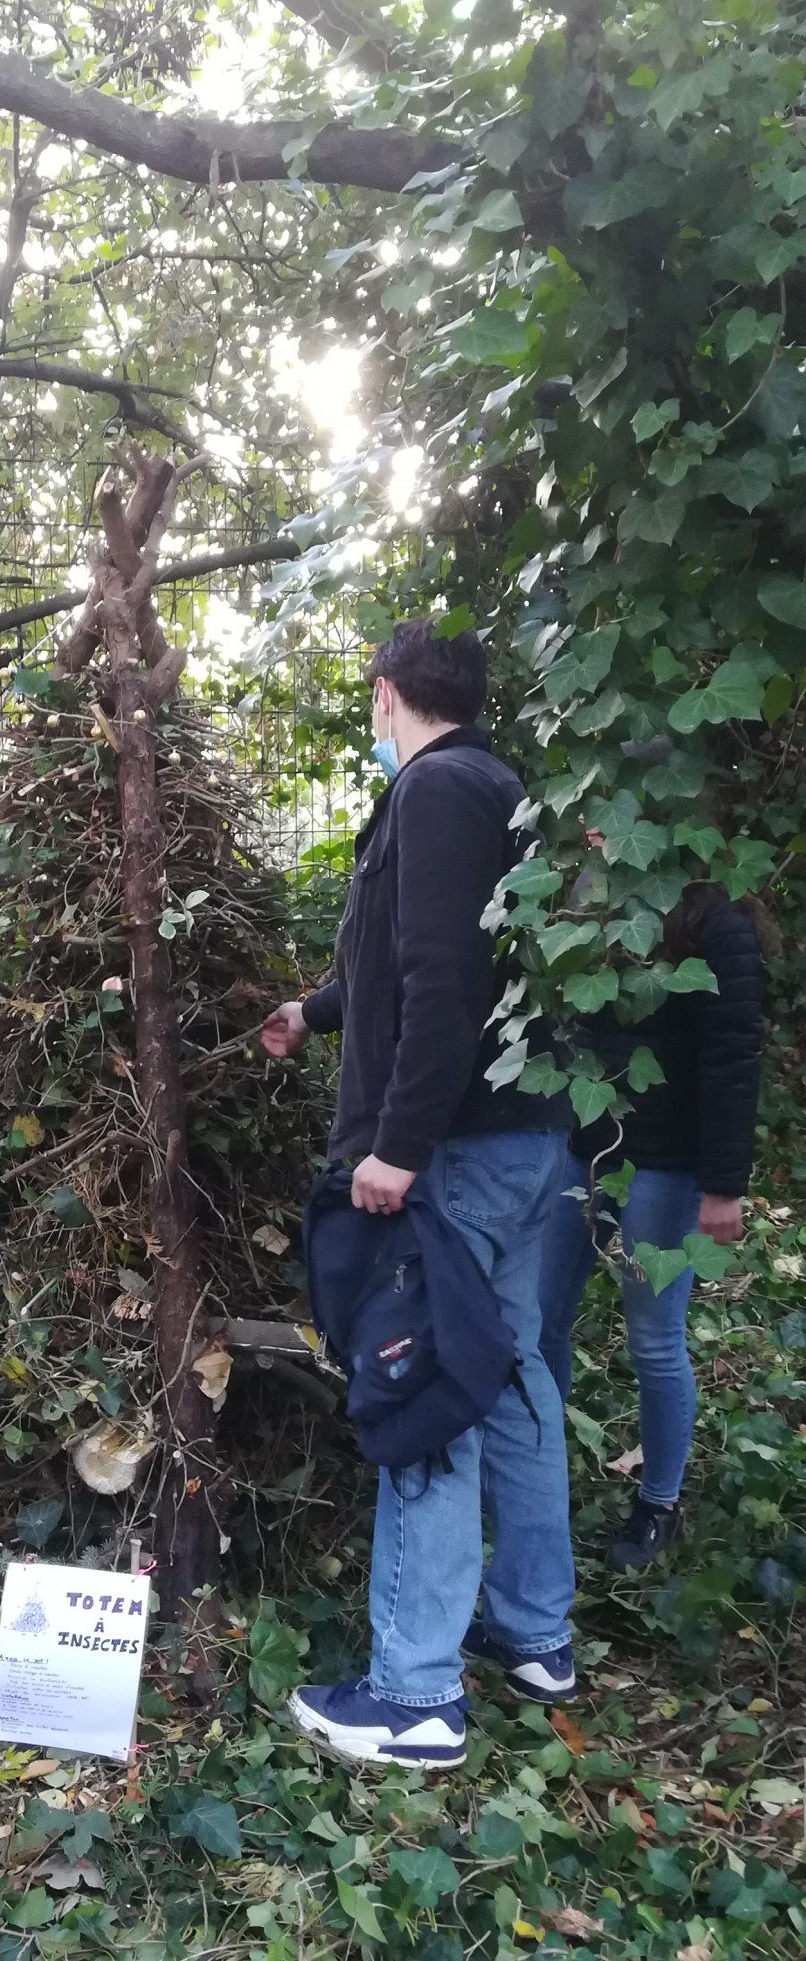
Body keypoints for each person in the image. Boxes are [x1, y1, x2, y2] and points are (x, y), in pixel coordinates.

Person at [260, 620, 572, 1772]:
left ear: (386, 694)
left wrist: (396, 1143)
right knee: (511, 1370)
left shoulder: (435, 791)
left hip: (459, 1151)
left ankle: (415, 1695)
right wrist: (316, 1007)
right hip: (525, 1135)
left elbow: (446, 978)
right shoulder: (496, 785)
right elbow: (404, 957)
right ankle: (535, 1633)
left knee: (425, 1380)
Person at [538, 881, 764, 1568]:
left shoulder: (714, 921)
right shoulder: (585, 899)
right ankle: (535, 1476)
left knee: (653, 1340)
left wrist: (723, 1184)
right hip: (585, 1149)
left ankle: (658, 1504)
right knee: (537, 1315)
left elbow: (732, 1055)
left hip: (668, 1165)